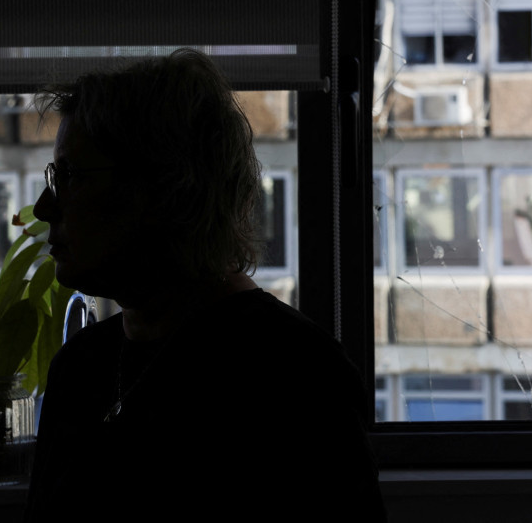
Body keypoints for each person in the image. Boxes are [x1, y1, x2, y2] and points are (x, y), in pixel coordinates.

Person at [23, 50, 384, 520]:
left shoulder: (295, 376)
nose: (43, 207)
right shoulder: (78, 370)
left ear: (162, 187)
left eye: (70, 176)